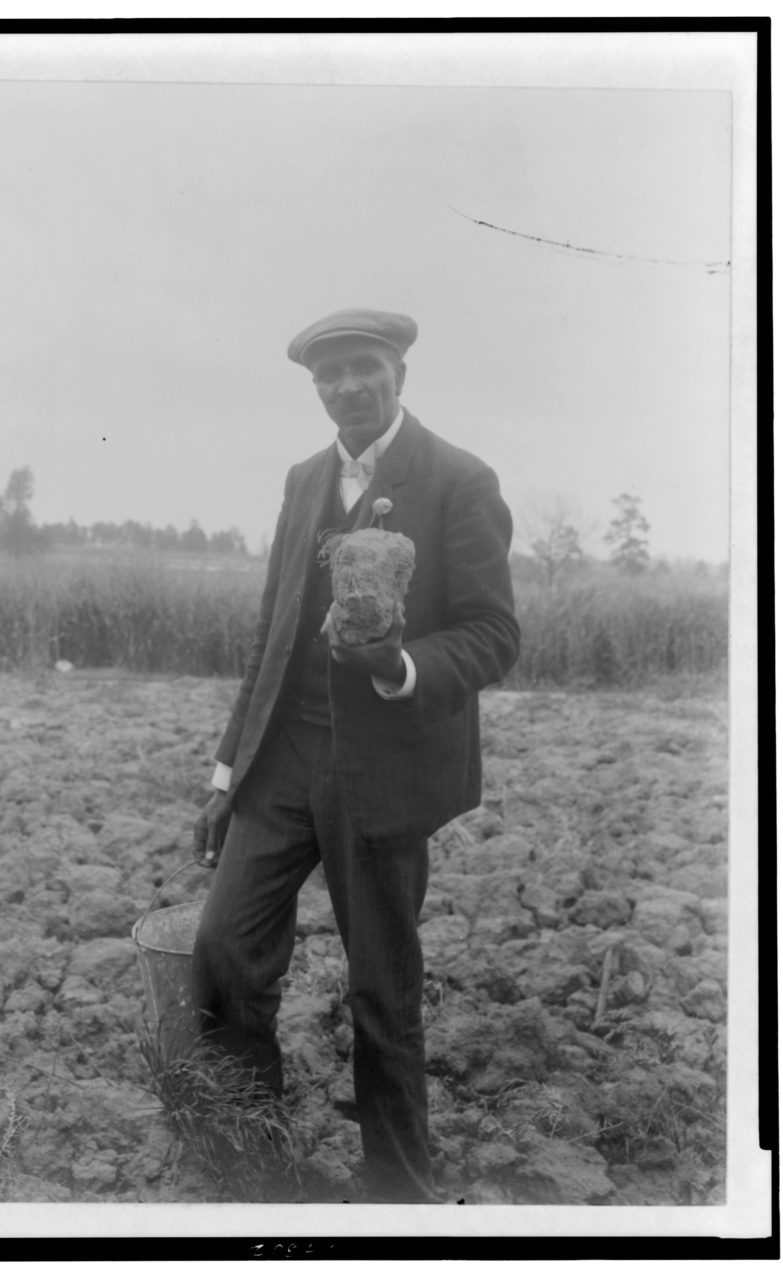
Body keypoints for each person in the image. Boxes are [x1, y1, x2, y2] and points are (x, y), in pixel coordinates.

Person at [191, 308, 520, 1203]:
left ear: (400, 375)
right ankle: (255, 1160)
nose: (346, 387)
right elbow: (272, 633)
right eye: (328, 374)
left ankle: (399, 1196)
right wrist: (228, 771)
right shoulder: (305, 480)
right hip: (284, 759)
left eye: (364, 367)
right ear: (315, 388)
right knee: (223, 946)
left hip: (383, 770)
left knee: (382, 988)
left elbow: (494, 634)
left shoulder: (457, 479)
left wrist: (403, 666)